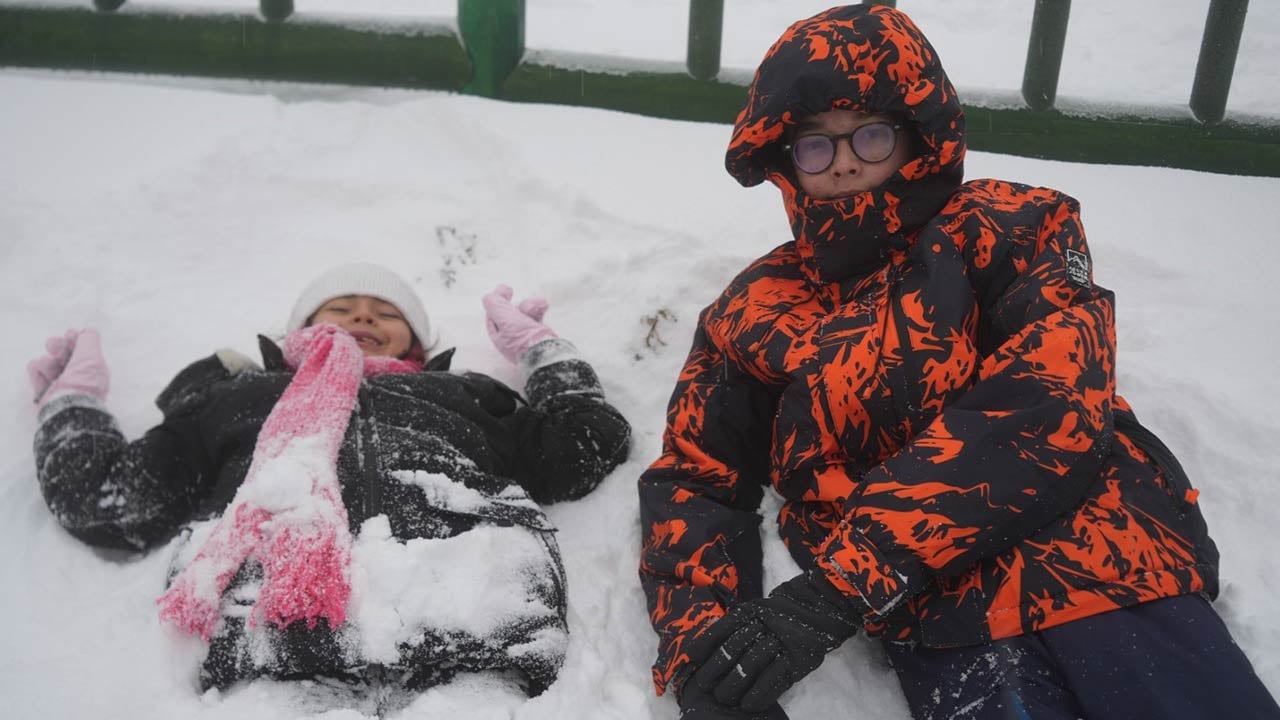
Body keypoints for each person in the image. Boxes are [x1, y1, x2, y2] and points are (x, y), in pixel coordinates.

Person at [637, 6, 1280, 720]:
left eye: (869, 135)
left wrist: (841, 586)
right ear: (784, 165)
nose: (844, 160)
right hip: (946, 619)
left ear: (917, 136)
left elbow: (1048, 400)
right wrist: (708, 653)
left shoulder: (1012, 228)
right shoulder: (755, 311)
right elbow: (697, 480)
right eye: (814, 147)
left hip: (1108, 565)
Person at [28, 262, 630, 705]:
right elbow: (110, 501)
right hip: (269, 635)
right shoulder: (236, 397)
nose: (364, 316)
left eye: (387, 312)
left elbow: (579, 450)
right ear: (297, 330)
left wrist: (545, 352)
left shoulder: (463, 392)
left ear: (419, 347)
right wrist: (71, 403)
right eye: (340, 308)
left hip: (476, 612)